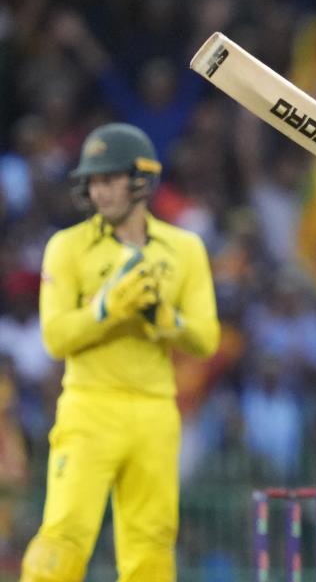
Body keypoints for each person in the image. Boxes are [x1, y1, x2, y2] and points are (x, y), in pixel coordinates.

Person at [21, 123, 220, 582]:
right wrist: (106, 309)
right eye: (92, 181)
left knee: (150, 543)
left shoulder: (184, 249)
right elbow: (55, 337)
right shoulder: (67, 247)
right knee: (65, 534)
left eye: (109, 178)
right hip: (90, 407)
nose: (98, 190)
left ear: (141, 180)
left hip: (155, 411)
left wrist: (164, 320)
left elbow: (206, 338)